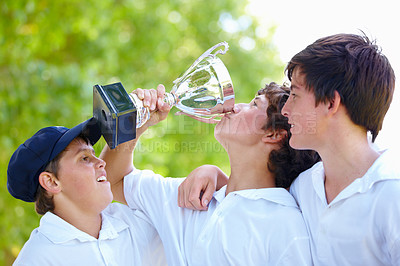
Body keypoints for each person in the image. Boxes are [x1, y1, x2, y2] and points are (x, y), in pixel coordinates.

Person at [181, 33, 400, 265]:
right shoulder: (304, 187)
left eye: (295, 95)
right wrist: (215, 175)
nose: (285, 111)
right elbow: (253, 197)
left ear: (330, 103)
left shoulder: (391, 195)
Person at [100, 83, 320, 265]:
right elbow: (112, 181)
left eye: (254, 104)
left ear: (273, 134)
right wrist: (138, 124)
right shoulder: (190, 197)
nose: (234, 107)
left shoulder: (285, 226)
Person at [7, 118, 166, 265]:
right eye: (84, 158)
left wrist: (139, 122)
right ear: (52, 182)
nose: (102, 162)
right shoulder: (37, 259)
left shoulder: (137, 221)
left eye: (94, 154)